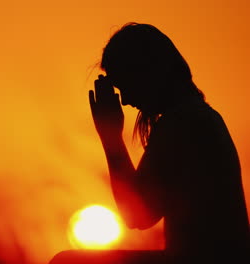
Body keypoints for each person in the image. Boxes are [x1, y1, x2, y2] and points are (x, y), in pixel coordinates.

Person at [50, 23, 250, 264]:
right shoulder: (196, 116)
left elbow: (137, 216)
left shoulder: (184, 122)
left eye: (125, 85)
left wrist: (110, 136)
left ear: (146, 73)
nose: (125, 100)